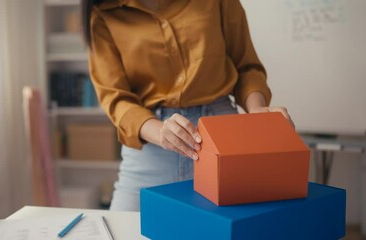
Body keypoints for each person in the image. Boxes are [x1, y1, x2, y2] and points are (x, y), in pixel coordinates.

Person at [81, 0, 293, 211]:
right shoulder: (104, 14)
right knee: (121, 229)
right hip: (151, 141)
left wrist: (256, 111)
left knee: (230, 229)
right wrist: (161, 132)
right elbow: (116, 99)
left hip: (221, 137)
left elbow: (246, 66)